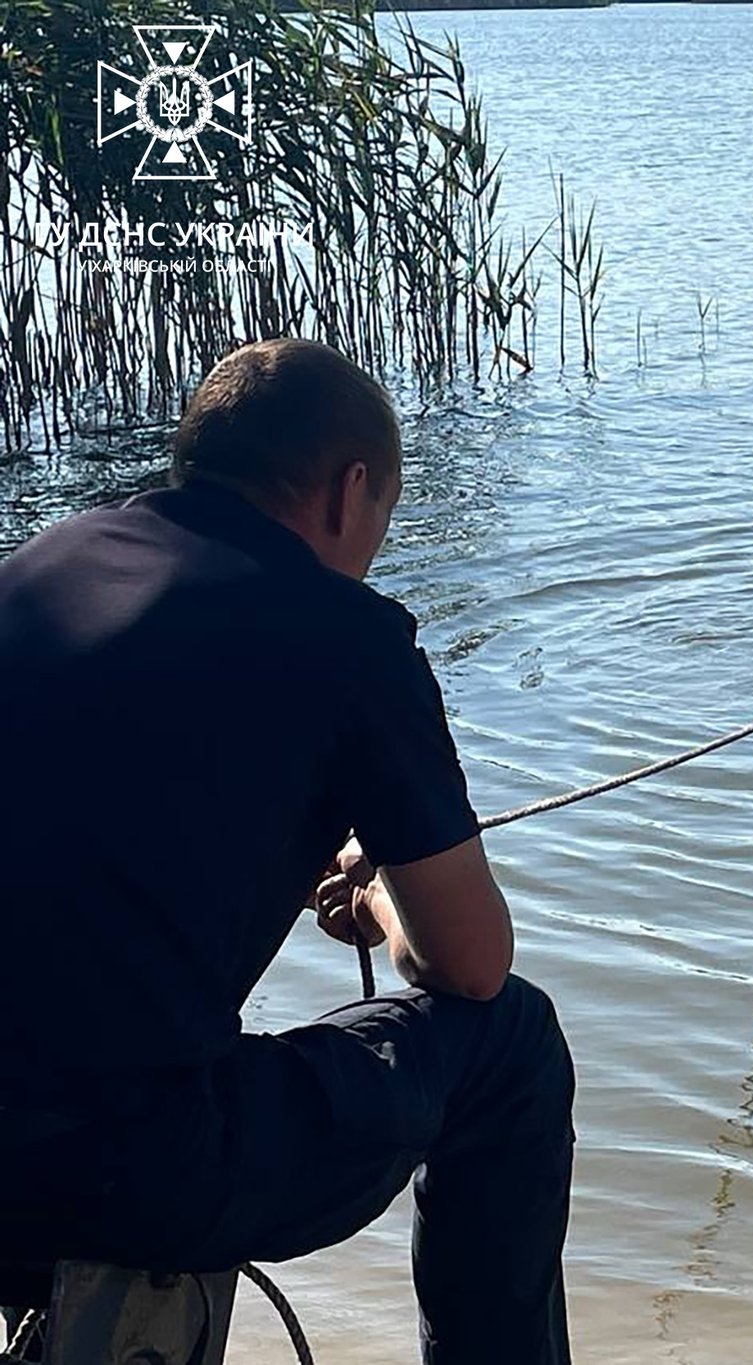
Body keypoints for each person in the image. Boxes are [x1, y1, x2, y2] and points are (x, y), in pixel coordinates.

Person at [0, 339, 574, 1365]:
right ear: (351, 490)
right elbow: (469, 967)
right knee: (511, 1048)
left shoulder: (36, 571)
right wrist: (379, 895)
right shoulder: (349, 638)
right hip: (121, 1168)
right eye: (384, 521)